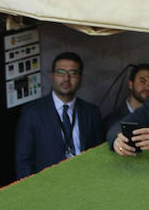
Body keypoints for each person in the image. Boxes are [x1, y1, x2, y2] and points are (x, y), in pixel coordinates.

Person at [15, 52, 104, 180]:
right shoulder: (32, 112)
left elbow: (99, 155)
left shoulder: (91, 112)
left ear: (80, 78)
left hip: (85, 183)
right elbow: (23, 161)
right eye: (61, 72)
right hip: (48, 187)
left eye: (73, 73)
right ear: (52, 76)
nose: (66, 78)